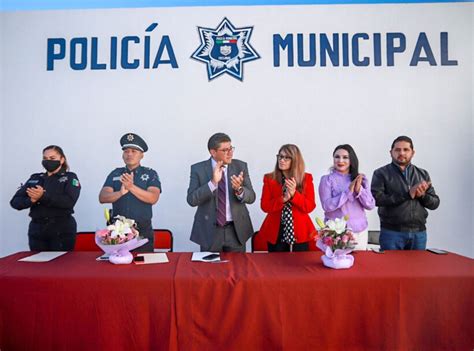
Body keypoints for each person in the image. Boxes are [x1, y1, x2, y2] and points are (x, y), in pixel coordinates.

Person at [187, 132, 255, 252]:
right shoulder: (198, 169)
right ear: (213, 152)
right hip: (210, 231)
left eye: (231, 148)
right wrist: (212, 183)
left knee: (238, 269)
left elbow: (252, 197)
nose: (230, 153)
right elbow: (191, 200)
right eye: (225, 150)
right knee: (209, 270)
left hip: (236, 231)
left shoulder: (240, 167)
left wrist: (239, 190)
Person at [371, 136, 440, 250]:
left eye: (406, 150)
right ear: (391, 152)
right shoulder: (381, 173)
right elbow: (376, 200)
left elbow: (435, 203)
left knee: (417, 268)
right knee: (391, 268)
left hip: (419, 234)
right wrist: (407, 194)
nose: (401, 153)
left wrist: (422, 195)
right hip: (391, 233)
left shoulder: (423, 174)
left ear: (412, 153)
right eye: (397, 150)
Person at [10, 145, 81, 251]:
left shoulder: (69, 178)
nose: (48, 161)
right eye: (45, 158)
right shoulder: (35, 178)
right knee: (38, 265)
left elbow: (69, 202)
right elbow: (15, 202)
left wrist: (43, 196)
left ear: (62, 160)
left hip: (61, 228)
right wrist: (31, 200)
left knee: (61, 265)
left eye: (52, 158)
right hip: (37, 228)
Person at [99, 133, 161, 252]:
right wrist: (120, 193)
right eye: (126, 151)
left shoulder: (150, 174)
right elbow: (103, 197)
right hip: (118, 232)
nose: (129, 154)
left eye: (134, 151)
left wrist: (131, 187)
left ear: (142, 155)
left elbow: (153, 198)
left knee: (143, 268)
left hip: (142, 232)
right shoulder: (115, 173)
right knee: (118, 268)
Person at [259, 144, 317, 252]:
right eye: (280, 156)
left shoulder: (306, 178)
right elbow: (265, 206)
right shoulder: (269, 178)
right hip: (275, 231)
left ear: (295, 160)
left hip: (300, 231)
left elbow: (309, 206)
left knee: (299, 264)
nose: (282, 160)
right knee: (275, 265)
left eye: (286, 157)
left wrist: (294, 195)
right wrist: (283, 199)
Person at [318, 144, 375, 250]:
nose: (340, 160)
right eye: (337, 157)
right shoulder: (326, 180)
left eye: (345, 157)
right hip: (337, 233)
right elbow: (327, 206)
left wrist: (359, 190)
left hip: (360, 232)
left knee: (360, 263)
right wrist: (347, 192)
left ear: (351, 160)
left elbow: (370, 204)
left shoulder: (360, 179)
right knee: (339, 264)